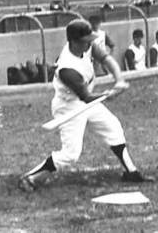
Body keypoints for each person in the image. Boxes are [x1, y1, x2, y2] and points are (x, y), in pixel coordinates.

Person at [18, 19, 154, 192]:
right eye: (85, 40)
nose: (90, 43)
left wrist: (118, 79)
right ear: (74, 41)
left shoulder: (87, 46)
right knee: (70, 154)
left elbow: (106, 59)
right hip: (69, 106)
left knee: (113, 128)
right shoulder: (67, 67)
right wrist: (109, 94)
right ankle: (30, 178)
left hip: (86, 101)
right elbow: (87, 97)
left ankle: (131, 172)